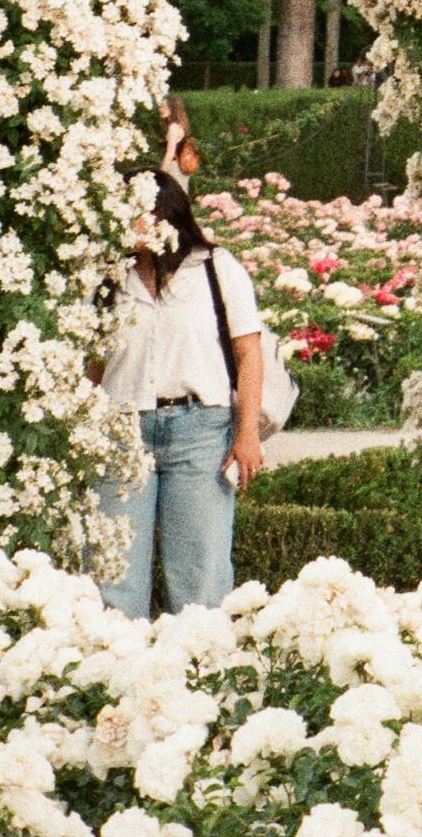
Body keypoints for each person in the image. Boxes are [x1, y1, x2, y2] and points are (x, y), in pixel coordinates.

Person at [96, 166, 267, 614]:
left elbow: (249, 354)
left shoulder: (215, 268)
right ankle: (114, 672)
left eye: (131, 211)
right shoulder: (109, 276)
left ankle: (200, 672)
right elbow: (93, 362)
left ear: (162, 213)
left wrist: (247, 432)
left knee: (200, 580)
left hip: (200, 431)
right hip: (121, 430)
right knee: (114, 575)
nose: (120, 221)